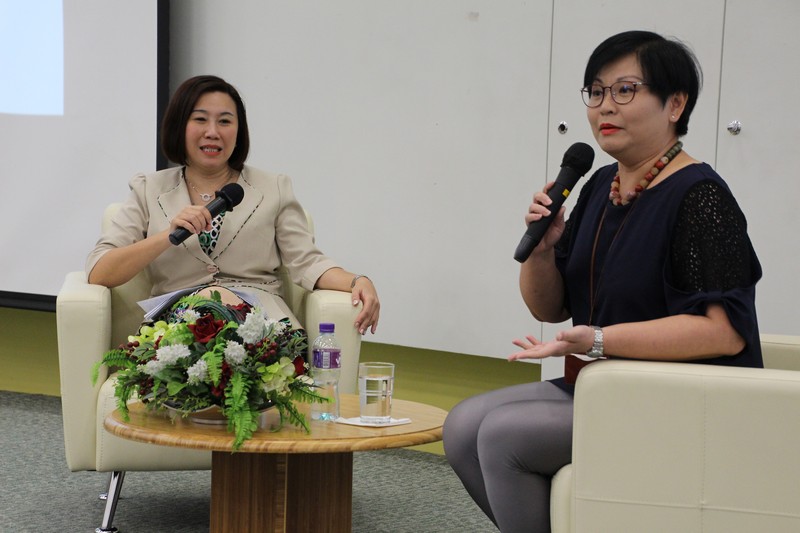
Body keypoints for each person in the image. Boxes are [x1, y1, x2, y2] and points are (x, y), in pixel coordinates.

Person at [442, 30, 762, 533]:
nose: (604, 107)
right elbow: (549, 308)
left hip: (681, 402)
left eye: (625, 90)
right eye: (596, 91)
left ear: (675, 104)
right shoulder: (598, 187)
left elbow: (722, 331)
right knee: (462, 427)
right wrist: (543, 251)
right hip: (602, 383)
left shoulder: (701, 197)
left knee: (505, 436)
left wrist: (597, 339)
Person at [87, 75, 380, 334]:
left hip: (259, 322)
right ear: (180, 126)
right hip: (177, 327)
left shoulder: (273, 188)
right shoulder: (148, 189)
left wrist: (356, 280)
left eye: (225, 121)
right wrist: (167, 235)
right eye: (200, 119)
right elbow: (101, 271)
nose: (213, 131)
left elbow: (307, 262)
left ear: (238, 131)